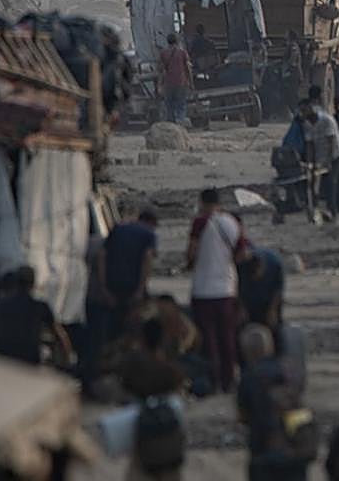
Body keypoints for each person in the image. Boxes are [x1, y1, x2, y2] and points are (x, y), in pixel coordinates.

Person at [237, 324, 313, 481]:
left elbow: (243, 415)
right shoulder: (290, 370)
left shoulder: (248, 377)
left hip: (263, 444)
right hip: (297, 442)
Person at [187, 188, 245, 392]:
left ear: (202, 202)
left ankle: (213, 380)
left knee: (208, 339)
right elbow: (240, 254)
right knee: (227, 337)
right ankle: (228, 380)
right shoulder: (231, 223)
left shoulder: (200, 223)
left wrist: (193, 262)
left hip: (204, 289)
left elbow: (192, 252)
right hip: (227, 289)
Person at [123, 317, 187, 481]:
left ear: (142, 339)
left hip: (142, 432)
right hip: (169, 431)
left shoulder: (133, 366)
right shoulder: (171, 371)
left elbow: (124, 387)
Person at [0, 265, 71, 366]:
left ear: (15, 282)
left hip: (1, 354)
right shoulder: (41, 307)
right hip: (28, 359)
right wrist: (68, 359)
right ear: (33, 285)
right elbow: (60, 335)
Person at [103, 207, 159, 334]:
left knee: (114, 324)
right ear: (151, 222)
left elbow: (102, 255)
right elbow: (148, 259)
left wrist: (103, 287)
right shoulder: (149, 234)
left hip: (113, 284)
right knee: (136, 322)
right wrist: (141, 288)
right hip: (133, 285)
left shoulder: (117, 229)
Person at [303, 99, 339, 221]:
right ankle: (315, 211)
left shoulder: (326, 120)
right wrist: (310, 164)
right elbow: (309, 145)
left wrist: (328, 162)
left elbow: (331, 142)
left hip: (335, 155)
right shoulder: (307, 124)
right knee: (313, 183)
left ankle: (333, 211)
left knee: (331, 182)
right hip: (320, 157)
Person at [238, 246, 285, 336]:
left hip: (268, 297)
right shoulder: (243, 266)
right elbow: (237, 289)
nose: (255, 278)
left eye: (257, 275)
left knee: (273, 324)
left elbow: (278, 290)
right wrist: (241, 308)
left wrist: (272, 310)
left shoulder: (275, 264)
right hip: (250, 299)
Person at [158, 33, 192, 125]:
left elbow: (161, 70)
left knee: (169, 105)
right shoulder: (182, 52)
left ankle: (171, 125)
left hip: (168, 83)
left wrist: (160, 85)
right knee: (181, 104)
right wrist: (191, 83)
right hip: (181, 82)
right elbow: (188, 68)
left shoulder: (163, 53)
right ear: (177, 41)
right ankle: (180, 123)